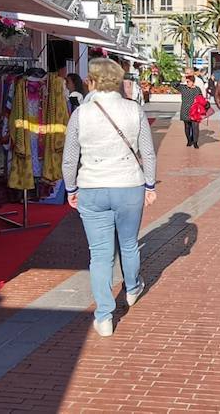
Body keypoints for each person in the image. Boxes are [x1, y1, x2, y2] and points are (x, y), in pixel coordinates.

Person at [62, 58, 157, 337]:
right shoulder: (133, 109)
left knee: (100, 254)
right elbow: (147, 152)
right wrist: (150, 185)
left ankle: (104, 315)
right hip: (129, 184)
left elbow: (70, 158)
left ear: (91, 80)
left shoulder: (81, 113)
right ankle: (132, 288)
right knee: (128, 244)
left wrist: (70, 189)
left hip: (91, 186)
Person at [176, 74, 204, 148]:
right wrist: (180, 81)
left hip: (195, 111)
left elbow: (201, 98)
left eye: (189, 81)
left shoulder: (197, 89)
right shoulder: (183, 88)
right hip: (185, 110)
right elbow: (173, 84)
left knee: (195, 127)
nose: (187, 83)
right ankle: (189, 140)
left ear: (193, 82)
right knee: (187, 126)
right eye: (187, 81)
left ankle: (195, 142)